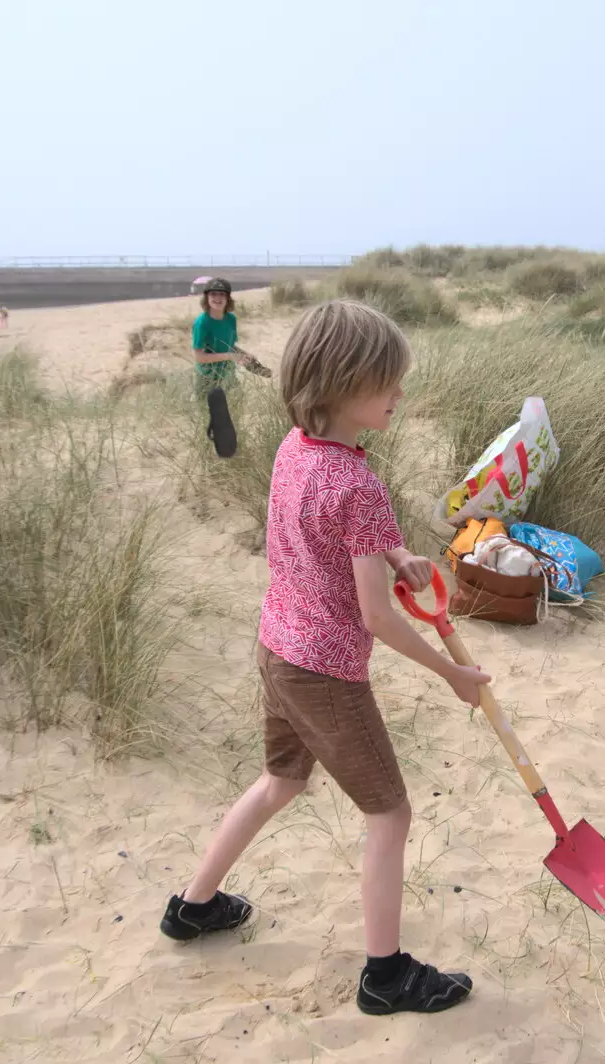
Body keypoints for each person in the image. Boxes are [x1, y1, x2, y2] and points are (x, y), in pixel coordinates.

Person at [159, 299, 486, 1016]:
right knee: (391, 815)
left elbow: (325, 541)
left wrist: (398, 554)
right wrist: (452, 673)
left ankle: (193, 907)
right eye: (388, 381)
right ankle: (386, 975)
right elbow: (376, 616)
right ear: (343, 385)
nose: (401, 393)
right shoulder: (360, 484)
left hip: (278, 648)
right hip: (327, 673)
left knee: (280, 782)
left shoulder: (295, 449)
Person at [192, 277, 270, 458]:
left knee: (235, 415)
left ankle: (233, 454)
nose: (217, 298)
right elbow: (199, 357)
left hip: (228, 376)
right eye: (213, 294)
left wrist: (244, 355)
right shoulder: (201, 323)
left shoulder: (230, 319)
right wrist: (230, 356)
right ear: (206, 298)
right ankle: (210, 459)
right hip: (208, 379)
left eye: (221, 294)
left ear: (228, 298)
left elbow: (229, 346)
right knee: (210, 422)